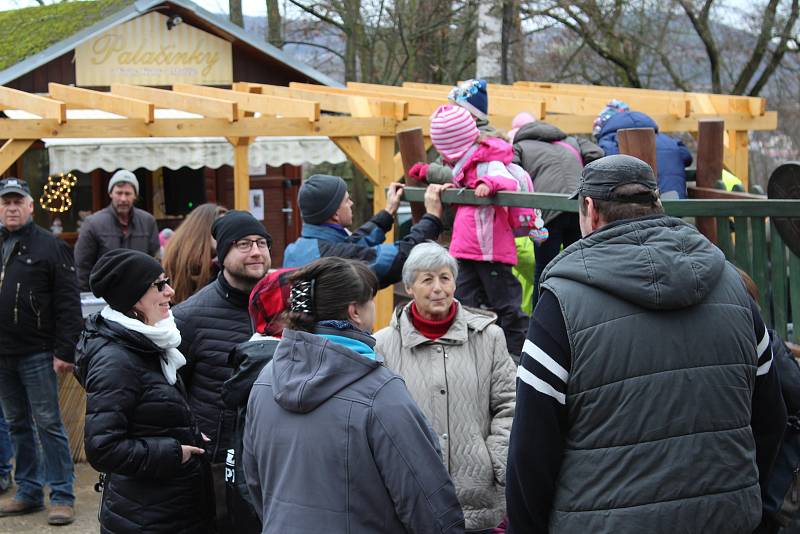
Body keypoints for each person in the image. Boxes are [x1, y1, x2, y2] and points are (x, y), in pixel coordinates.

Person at [506, 154, 787, 533]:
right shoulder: (734, 288)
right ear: (657, 203)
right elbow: (771, 416)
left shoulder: (561, 304)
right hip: (727, 518)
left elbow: (531, 450)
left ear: (589, 209)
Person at [242, 257, 465, 533]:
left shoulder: (266, 380)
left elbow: (255, 484)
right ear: (355, 312)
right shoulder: (380, 392)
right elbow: (430, 505)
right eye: (371, 300)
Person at [374, 242, 516, 533]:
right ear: (410, 287)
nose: (438, 288)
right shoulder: (384, 344)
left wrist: (496, 461)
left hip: (479, 502)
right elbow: (376, 418)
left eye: (445, 277)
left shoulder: (489, 337)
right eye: (427, 279)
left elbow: (510, 404)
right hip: (410, 500)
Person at [75, 249, 214, 533]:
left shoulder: (149, 343)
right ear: (133, 297)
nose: (170, 291)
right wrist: (174, 452)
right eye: (159, 285)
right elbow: (103, 448)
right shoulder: (116, 360)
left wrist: (186, 430)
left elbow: (149, 413)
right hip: (145, 516)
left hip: (167, 506)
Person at [172, 209, 270, 531]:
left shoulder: (285, 309)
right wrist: (189, 432)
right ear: (223, 254)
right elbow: (169, 387)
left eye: (261, 243)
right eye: (244, 244)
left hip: (273, 456)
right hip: (218, 462)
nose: (256, 251)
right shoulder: (189, 317)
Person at [426, 104, 543, 358]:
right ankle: (473, 351)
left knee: (505, 303)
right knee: (465, 299)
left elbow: (508, 180)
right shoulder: (464, 164)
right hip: (468, 246)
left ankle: (519, 356)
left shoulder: (484, 160)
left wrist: (488, 184)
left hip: (488, 247)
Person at [0, 178, 81, 526]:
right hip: (2, 353)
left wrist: (65, 350)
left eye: (18, 201)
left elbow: (68, 303)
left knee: (48, 423)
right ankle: (28, 491)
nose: (12, 208)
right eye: (6, 202)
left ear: (32, 206)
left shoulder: (50, 246)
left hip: (37, 351)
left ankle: (62, 494)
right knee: (17, 423)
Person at [283, 175, 450, 288]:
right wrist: (432, 217)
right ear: (334, 213)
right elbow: (398, 258)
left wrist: (387, 213)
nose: (352, 203)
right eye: (346, 200)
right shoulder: (334, 257)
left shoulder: (297, 249)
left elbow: (351, 245)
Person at [511, 112, 604, 305]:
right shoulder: (572, 141)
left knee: (544, 270)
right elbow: (597, 154)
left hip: (547, 212)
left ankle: (540, 323)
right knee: (577, 268)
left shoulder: (520, 146)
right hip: (577, 206)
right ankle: (577, 315)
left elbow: (513, 173)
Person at [74, 169, 160, 291]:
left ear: (135, 195)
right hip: (105, 295)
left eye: (128, 193)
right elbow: (82, 266)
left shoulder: (148, 221)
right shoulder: (93, 223)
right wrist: (90, 297)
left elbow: (155, 262)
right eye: (119, 193)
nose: (123, 198)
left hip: (140, 294)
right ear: (111, 194)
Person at [594, 103, 693, 199]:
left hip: (630, 210)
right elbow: (687, 157)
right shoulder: (669, 141)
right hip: (675, 203)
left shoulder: (608, 144)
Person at [162, 203, 229, 304]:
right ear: (204, 229)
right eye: (220, 228)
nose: (225, 234)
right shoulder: (186, 260)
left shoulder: (220, 257)